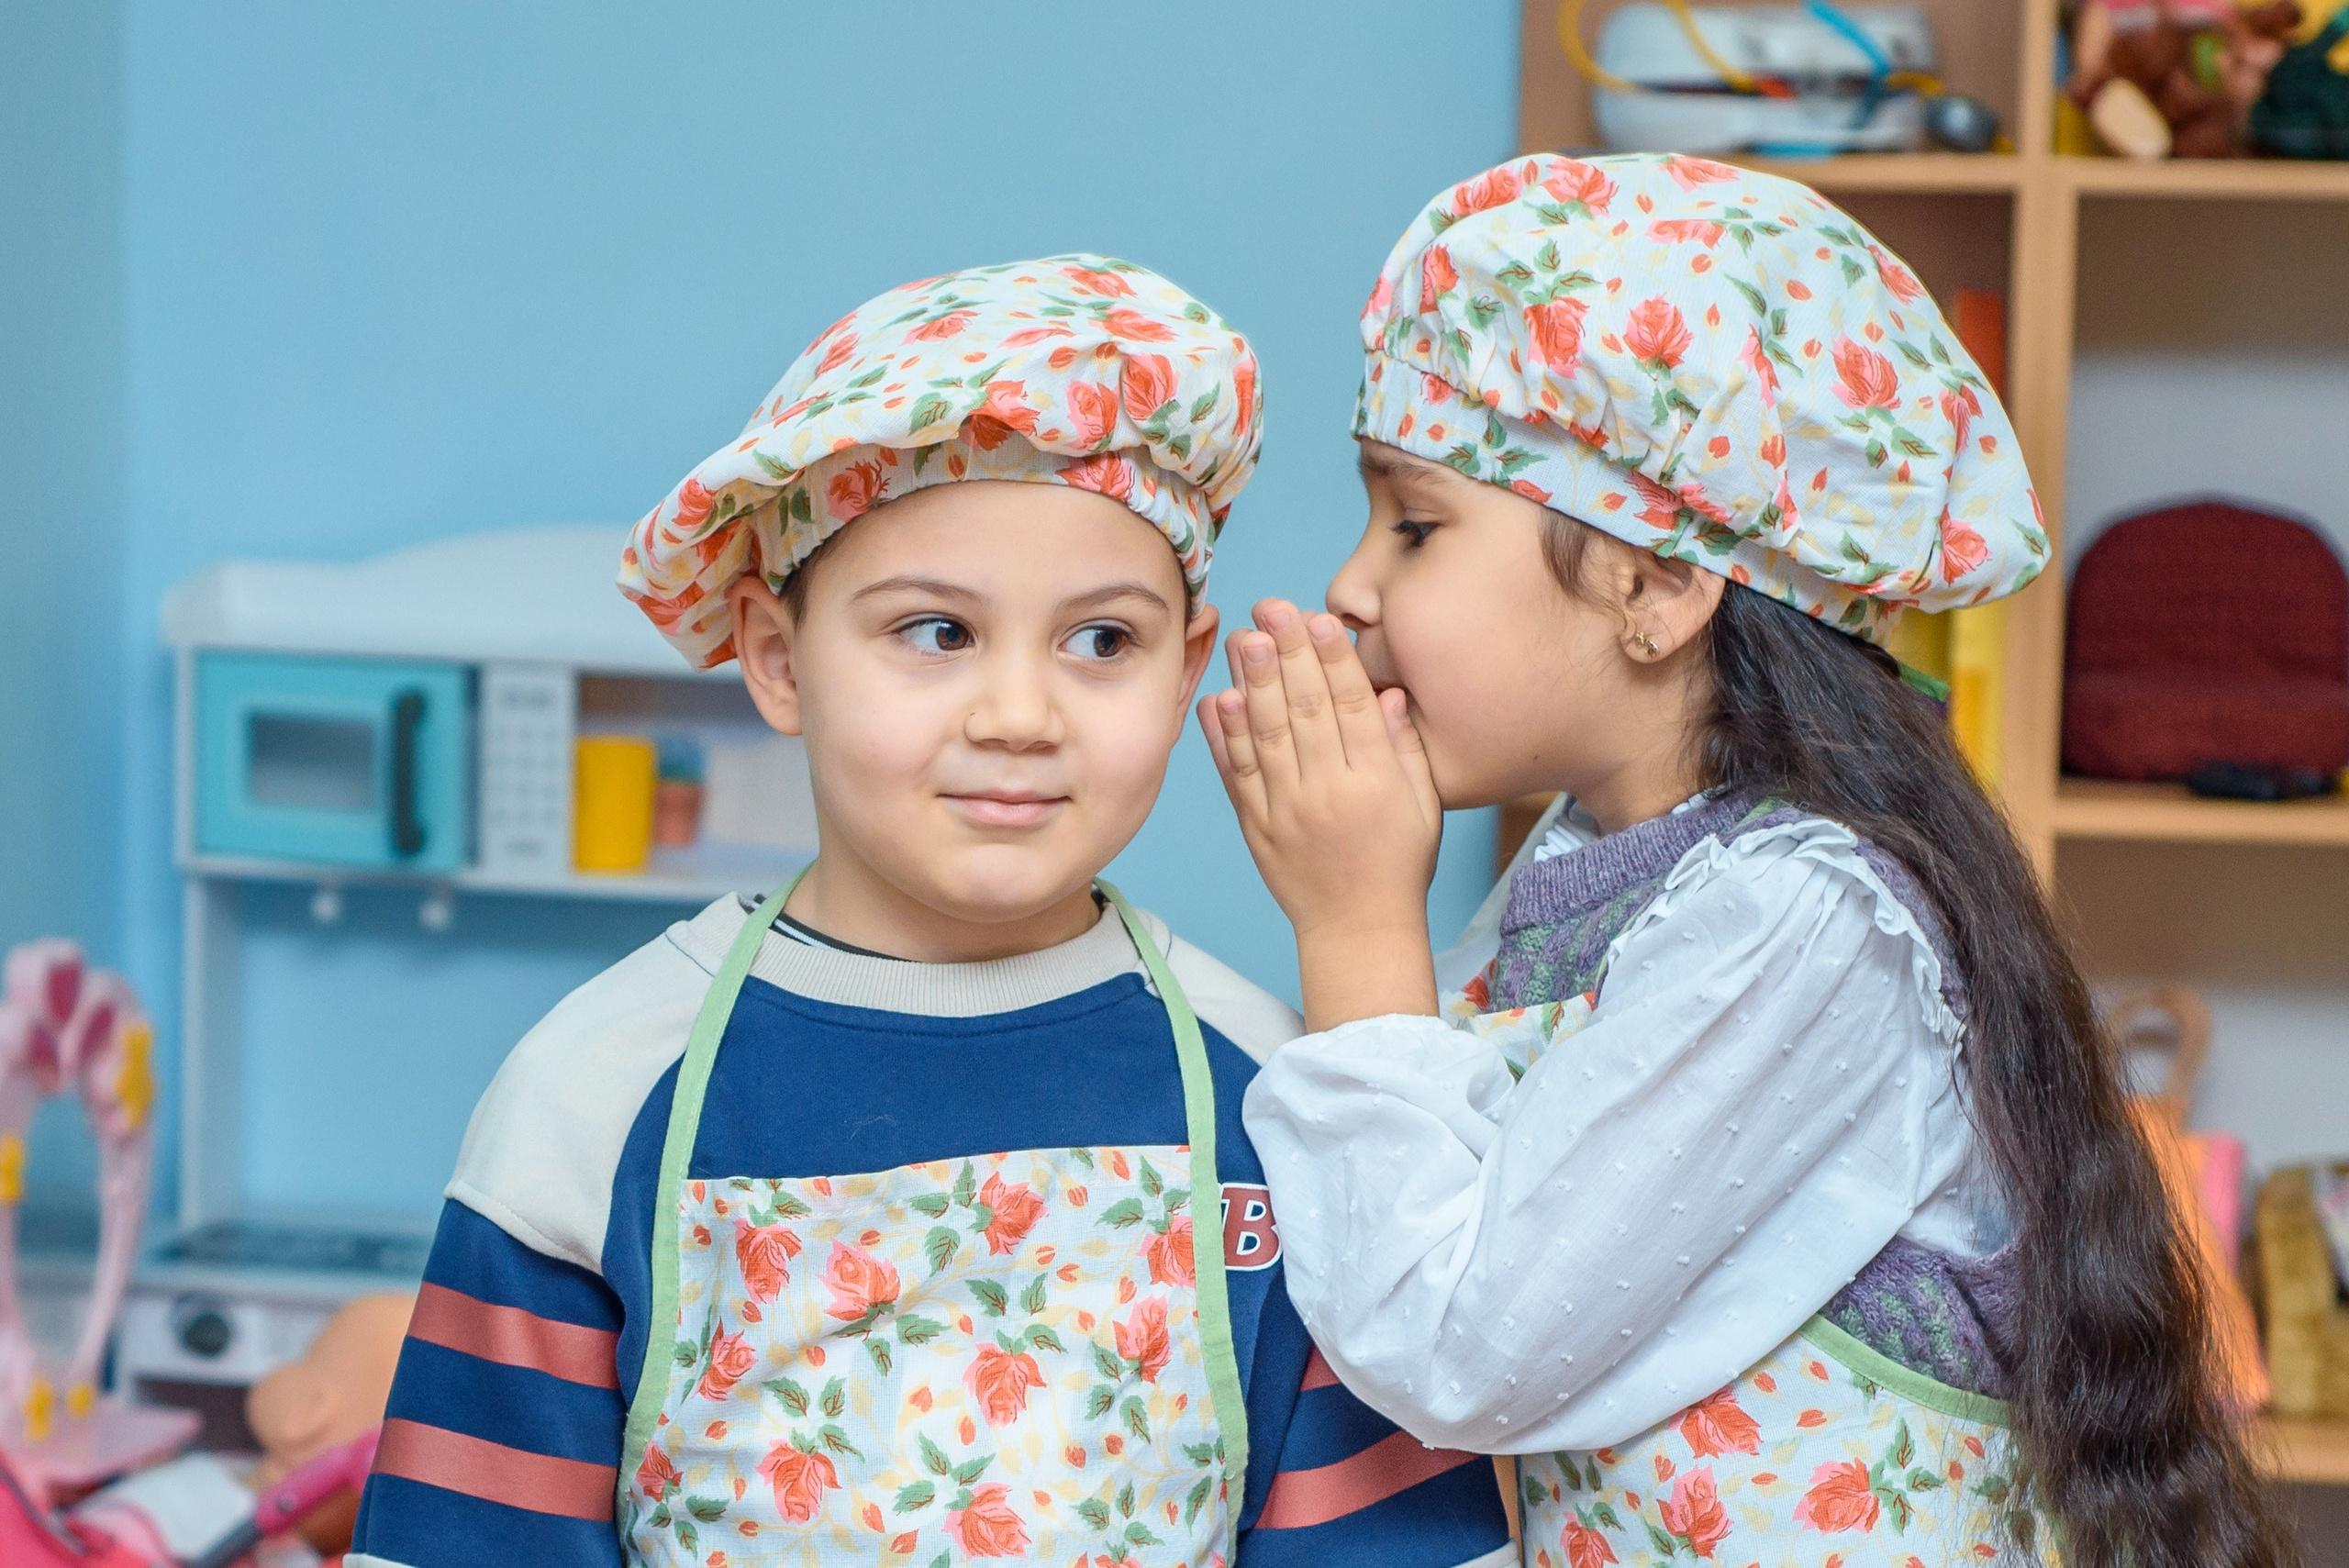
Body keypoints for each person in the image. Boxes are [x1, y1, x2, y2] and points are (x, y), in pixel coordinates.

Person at [1203, 156, 2290, 1568]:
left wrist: (1353, 919)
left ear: (1654, 586)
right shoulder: (1600, 864)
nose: (1353, 583)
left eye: (1413, 523)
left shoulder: (1808, 924)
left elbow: (1452, 1345)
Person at [345, 256, 1516, 1568]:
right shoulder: (597, 1090)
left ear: (1189, 666)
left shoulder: (1272, 1100)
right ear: (779, 659)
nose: (1019, 715)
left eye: (1102, 643)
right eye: (936, 632)